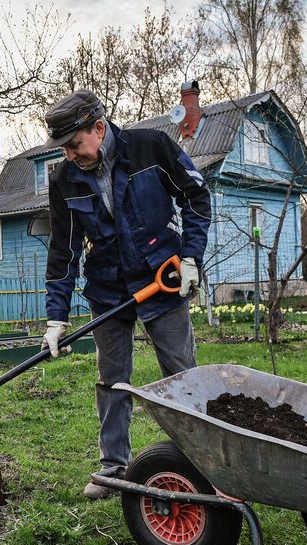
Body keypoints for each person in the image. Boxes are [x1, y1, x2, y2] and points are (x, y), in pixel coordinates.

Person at [41, 89, 211, 499]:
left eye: (75, 145)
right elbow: (63, 251)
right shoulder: (63, 179)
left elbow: (196, 196)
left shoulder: (151, 148)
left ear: (98, 128)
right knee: (112, 380)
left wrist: (190, 258)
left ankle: (201, 460)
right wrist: (56, 318)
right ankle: (114, 466)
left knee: (181, 374)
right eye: (63, 149)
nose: (69, 155)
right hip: (109, 289)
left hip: (162, 277)